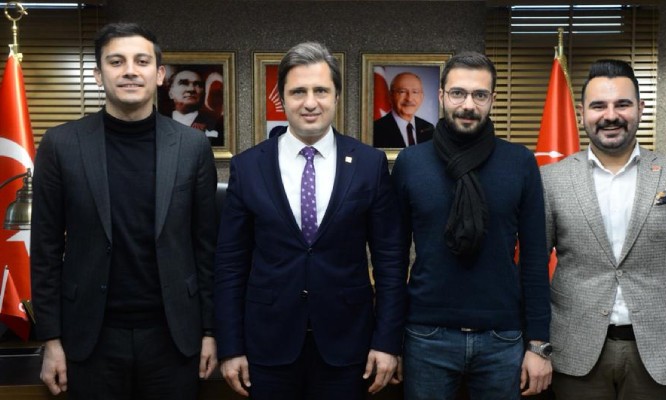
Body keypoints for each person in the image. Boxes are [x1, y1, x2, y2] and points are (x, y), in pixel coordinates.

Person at [30, 22, 218, 399]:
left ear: (159, 74)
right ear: (98, 75)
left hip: (173, 339)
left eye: (141, 61)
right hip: (91, 340)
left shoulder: (192, 147)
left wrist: (210, 331)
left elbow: (207, 248)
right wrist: (51, 340)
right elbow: (45, 250)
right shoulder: (60, 144)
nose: (130, 70)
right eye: (116, 62)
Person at [214, 42, 406, 400]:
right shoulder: (248, 166)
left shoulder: (369, 164)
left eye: (321, 90)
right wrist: (230, 346)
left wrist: (387, 342)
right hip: (266, 345)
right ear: (281, 98)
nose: (310, 102)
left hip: (348, 345)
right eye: (298, 91)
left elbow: (390, 262)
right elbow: (229, 264)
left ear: (336, 96)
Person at [542, 59, 666, 399]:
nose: (611, 115)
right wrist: (536, 345)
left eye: (622, 104)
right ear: (582, 113)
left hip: (660, 352)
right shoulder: (552, 180)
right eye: (598, 106)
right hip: (575, 351)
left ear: (640, 108)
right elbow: (533, 269)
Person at [392, 52, 552, 399]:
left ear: (492, 99)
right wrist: (389, 341)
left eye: (479, 95)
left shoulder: (520, 162)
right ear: (441, 96)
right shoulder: (410, 163)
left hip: (502, 338)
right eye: (458, 93)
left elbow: (535, 260)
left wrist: (538, 344)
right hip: (426, 336)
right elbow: (393, 260)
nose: (468, 104)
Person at [373, 72, 434, 148]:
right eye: (402, 91)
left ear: (422, 97)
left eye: (415, 92)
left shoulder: (428, 128)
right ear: (390, 95)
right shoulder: (376, 129)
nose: (409, 99)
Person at [167, 67, 224, 146]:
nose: (191, 89)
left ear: (203, 92)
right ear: (170, 93)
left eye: (197, 84)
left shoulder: (215, 125)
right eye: (184, 83)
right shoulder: (159, 123)